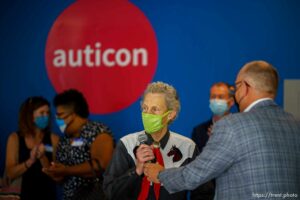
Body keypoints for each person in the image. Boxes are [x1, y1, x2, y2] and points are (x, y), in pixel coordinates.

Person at [144, 61, 300, 199]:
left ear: (245, 87)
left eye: (236, 87)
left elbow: (195, 174)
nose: (236, 95)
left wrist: (160, 174)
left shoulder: (231, 125)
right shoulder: (294, 125)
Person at [103, 81, 198, 200]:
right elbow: (110, 192)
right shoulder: (127, 144)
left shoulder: (187, 147)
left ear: (170, 115)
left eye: (155, 109)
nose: (147, 114)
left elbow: (203, 192)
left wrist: (167, 177)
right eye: (145, 108)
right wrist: (136, 171)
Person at [43, 89, 114, 200]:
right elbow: (60, 176)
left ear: (73, 114)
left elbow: (101, 165)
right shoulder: (64, 139)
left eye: (60, 115)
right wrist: (54, 172)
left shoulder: (98, 131)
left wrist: (67, 170)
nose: (57, 120)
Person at [5, 96, 59, 200]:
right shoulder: (14, 138)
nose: (46, 116)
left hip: (47, 196)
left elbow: (58, 177)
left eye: (48, 113)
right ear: (30, 115)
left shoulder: (54, 139)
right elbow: (10, 174)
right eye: (42, 113)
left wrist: (43, 158)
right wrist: (30, 161)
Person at [190, 82, 234, 200]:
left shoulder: (240, 129)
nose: (216, 100)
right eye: (213, 96)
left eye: (220, 97)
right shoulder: (199, 131)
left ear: (231, 102)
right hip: (204, 195)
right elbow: (195, 166)